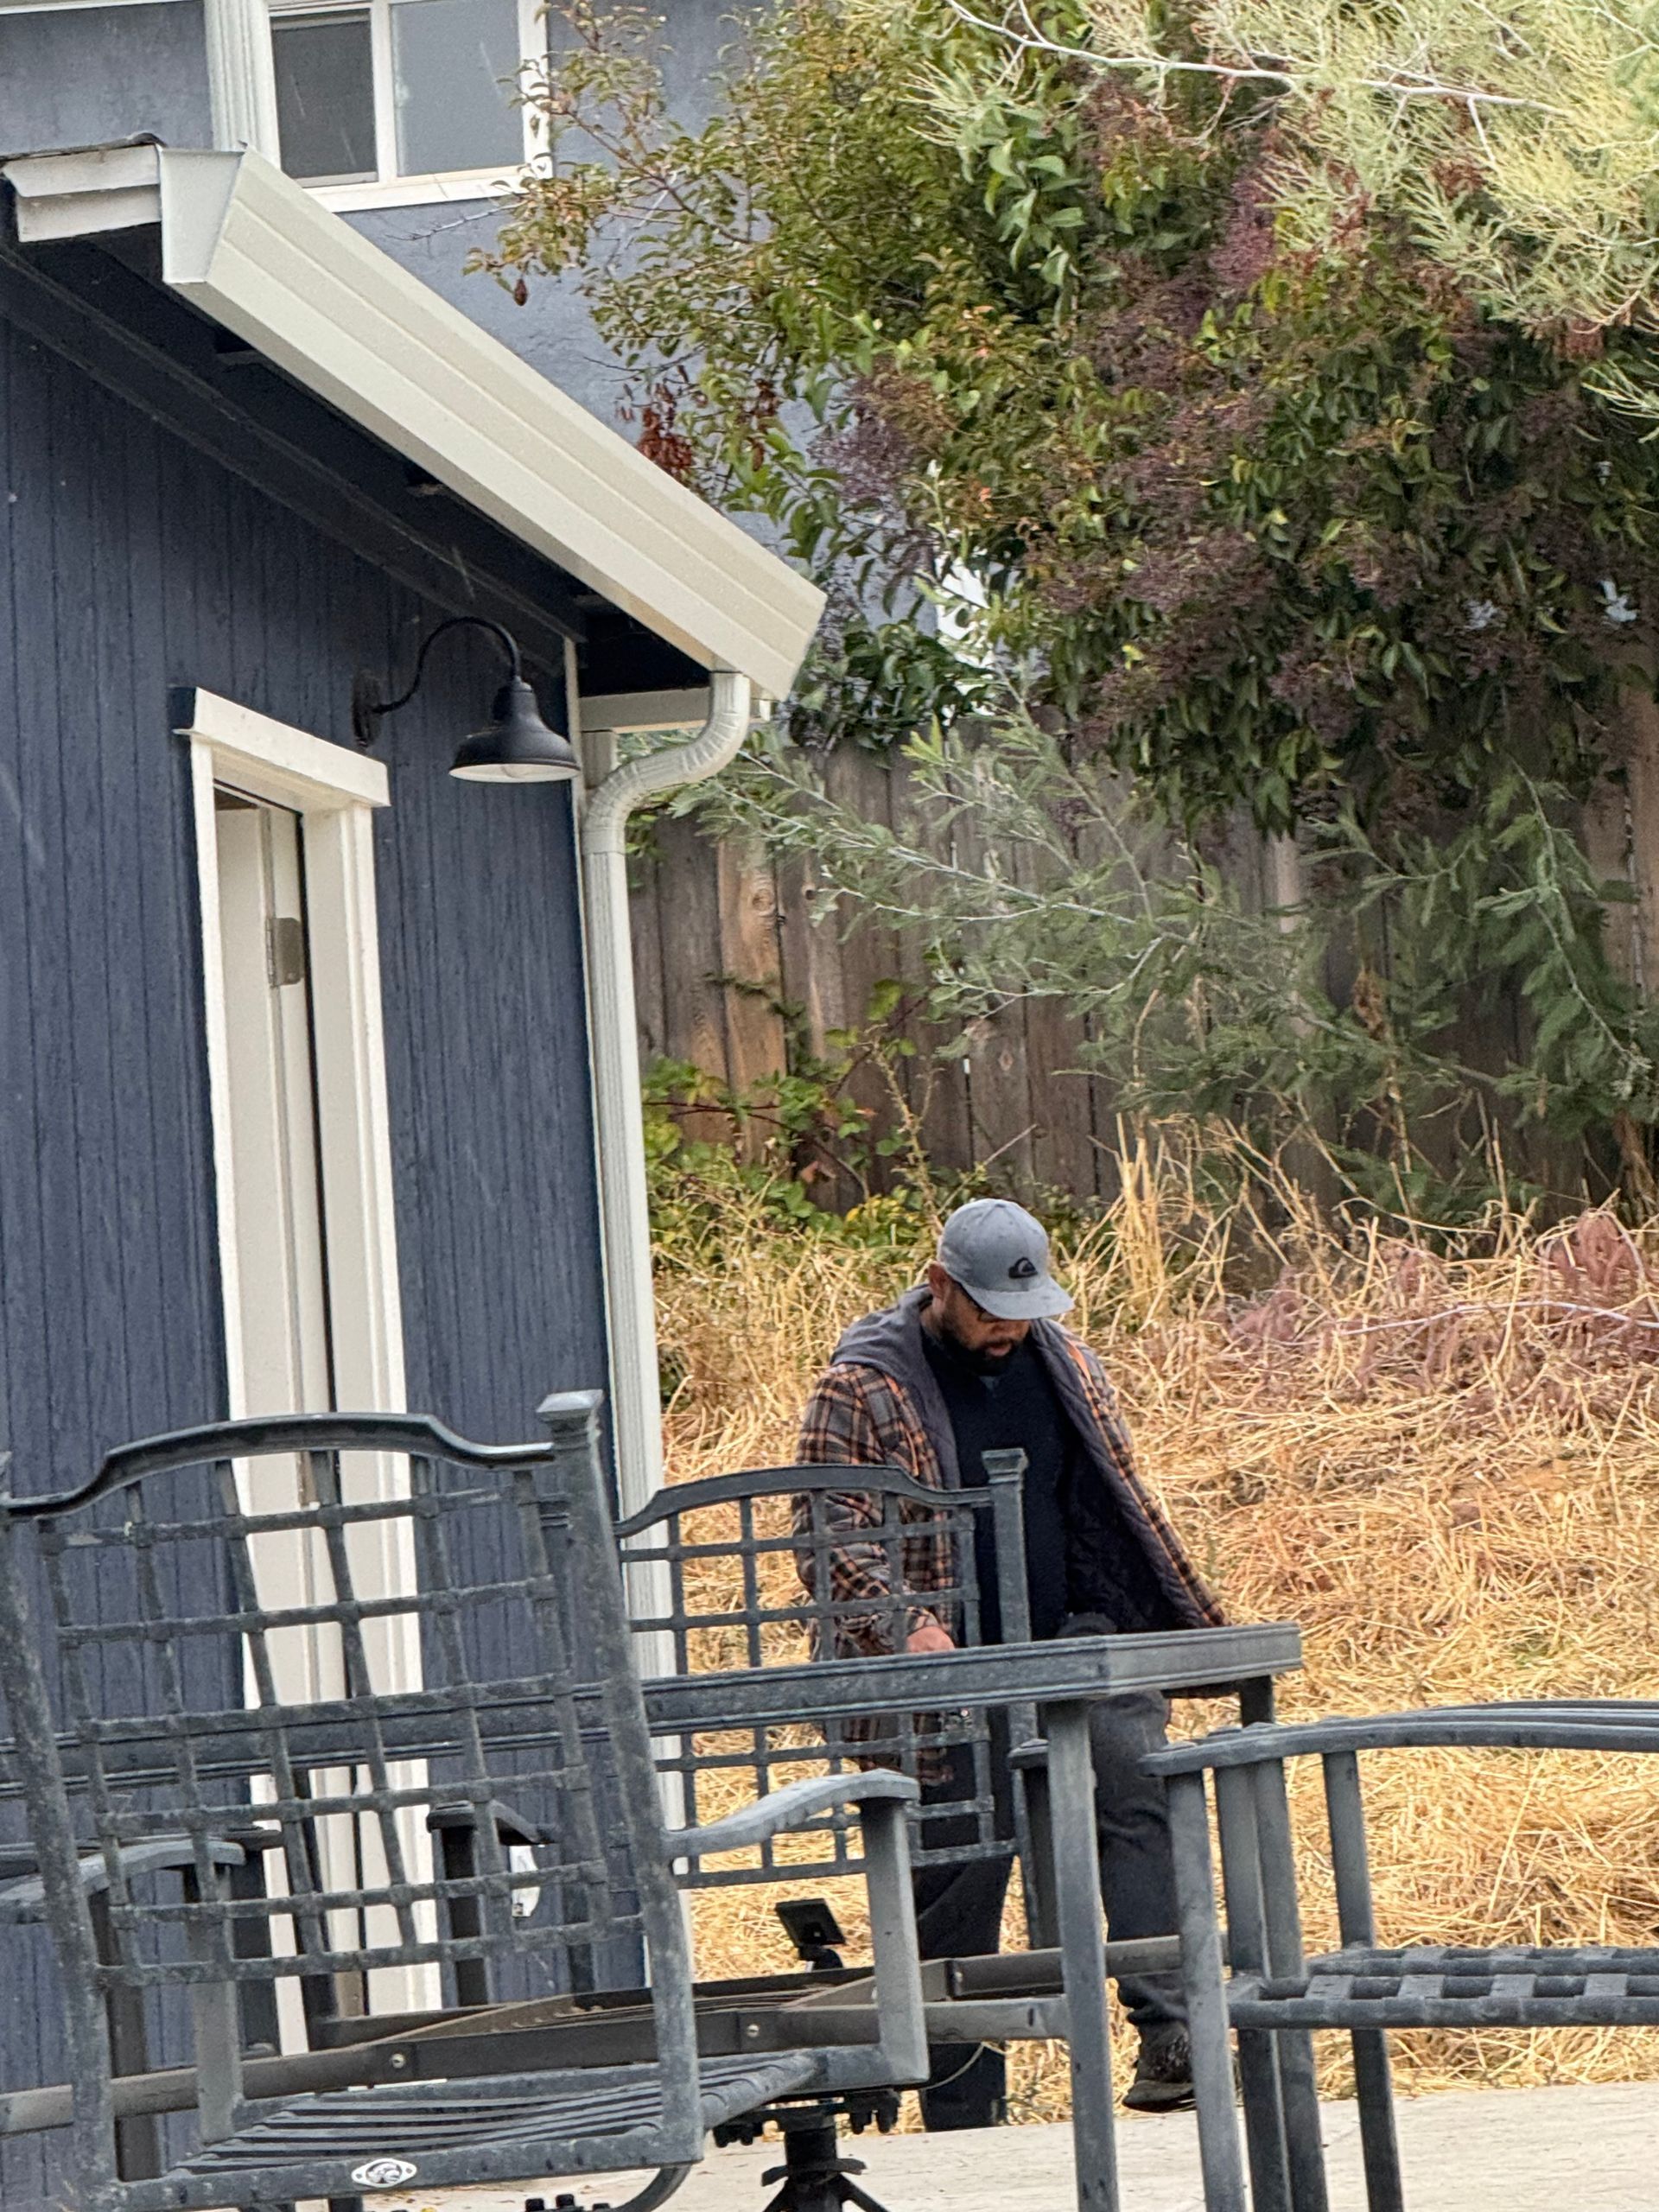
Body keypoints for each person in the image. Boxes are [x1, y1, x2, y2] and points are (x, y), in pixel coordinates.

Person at [795, 1198, 1223, 2126]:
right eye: (988, 1311)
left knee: (1139, 1787)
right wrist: (903, 1624)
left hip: (1067, 1635)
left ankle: (1172, 2034)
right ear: (941, 1284)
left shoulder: (1066, 1362)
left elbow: (1108, 1494)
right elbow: (828, 1534)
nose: (1005, 1330)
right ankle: (961, 2102)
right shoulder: (862, 1386)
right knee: (960, 1859)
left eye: (1021, 1312)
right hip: (942, 1670)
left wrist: (1128, 1613)